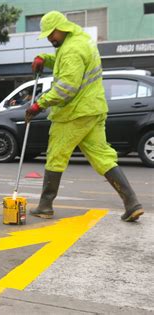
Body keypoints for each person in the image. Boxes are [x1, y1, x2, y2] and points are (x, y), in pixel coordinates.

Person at [25, 11, 144, 222]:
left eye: (51, 34)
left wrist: (38, 105)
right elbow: (66, 63)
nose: (50, 38)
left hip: (74, 112)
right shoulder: (80, 40)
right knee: (102, 156)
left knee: (56, 156)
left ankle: (45, 205)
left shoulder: (71, 50)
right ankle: (132, 203)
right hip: (94, 109)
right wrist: (45, 58)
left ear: (61, 28)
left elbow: (66, 87)